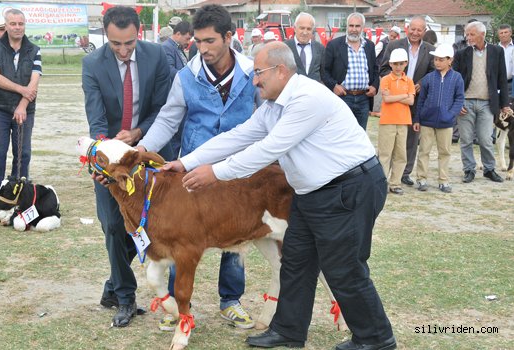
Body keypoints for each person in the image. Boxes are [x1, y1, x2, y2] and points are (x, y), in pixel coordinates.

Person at [164, 41, 396, 350]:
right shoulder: (273, 105)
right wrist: (186, 162)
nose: (254, 80)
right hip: (312, 192)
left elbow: (267, 150)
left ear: (281, 70)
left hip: (348, 188)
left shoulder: (306, 99)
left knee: (345, 269)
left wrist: (215, 173)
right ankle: (288, 330)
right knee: (296, 263)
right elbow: (237, 137)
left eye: (258, 72)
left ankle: (376, 339)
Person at [136, 3, 261, 332]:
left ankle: (231, 301)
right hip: (192, 168)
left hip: (239, 169)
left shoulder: (252, 73)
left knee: (235, 236)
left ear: (229, 37)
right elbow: (168, 119)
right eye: (198, 42)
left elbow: (268, 119)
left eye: (210, 41)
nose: (202, 48)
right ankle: (179, 307)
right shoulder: (186, 77)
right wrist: (141, 150)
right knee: (182, 237)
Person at [82, 5, 174, 328]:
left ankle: (113, 285)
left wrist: (137, 134)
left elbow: (165, 109)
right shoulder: (92, 64)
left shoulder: (156, 56)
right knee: (111, 225)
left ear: (140, 33)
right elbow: (96, 120)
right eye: (116, 44)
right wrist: (104, 156)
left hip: (147, 154)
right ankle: (125, 298)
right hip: (110, 158)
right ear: (105, 36)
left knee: (140, 228)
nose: (123, 51)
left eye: (129, 43)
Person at [0, 9, 42, 212]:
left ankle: (20, 193)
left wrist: (22, 105)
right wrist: (21, 90)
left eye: (20, 23)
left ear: (24, 25)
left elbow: (34, 82)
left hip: (26, 109)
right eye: (13, 23)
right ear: (6, 25)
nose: (17, 27)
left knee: (23, 153)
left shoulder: (35, 50)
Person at [380, 16, 435, 187]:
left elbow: (433, 73)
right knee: (388, 144)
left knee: (411, 138)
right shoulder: (394, 45)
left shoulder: (430, 49)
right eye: (413, 29)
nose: (415, 33)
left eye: (419, 30)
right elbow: (382, 69)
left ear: (424, 31)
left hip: (416, 100)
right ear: (407, 29)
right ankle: (384, 175)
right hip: (394, 101)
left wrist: (420, 84)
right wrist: (394, 87)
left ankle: (405, 173)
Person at [453, 21, 511, 183]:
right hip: (466, 102)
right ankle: (469, 169)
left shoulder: (496, 51)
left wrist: (504, 104)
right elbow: (455, 80)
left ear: (482, 34)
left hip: (487, 103)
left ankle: (489, 169)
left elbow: (502, 78)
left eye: (472, 34)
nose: (468, 37)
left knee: (486, 139)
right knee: (465, 139)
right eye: (467, 34)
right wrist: (458, 103)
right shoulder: (461, 53)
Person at [413, 44, 465, 193]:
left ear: (450, 60)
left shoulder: (457, 78)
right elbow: (421, 99)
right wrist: (417, 119)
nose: (437, 62)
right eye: (435, 59)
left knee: (445, 152)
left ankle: (443, 180)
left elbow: (459, 98)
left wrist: (450, 115)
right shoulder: (428, 78)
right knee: (424, 150)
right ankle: (421, 179)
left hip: (446, 122)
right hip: (427, 121)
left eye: (441, 59)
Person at [322, 12, 379, 130]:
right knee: (341, 134)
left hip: (364, 99)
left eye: (357, 26)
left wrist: (375, 86)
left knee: (360, 134)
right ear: (346, 26)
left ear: (362, 28)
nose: (354, 29)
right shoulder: (334, 45)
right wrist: (334, 86)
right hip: (343, 98)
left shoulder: (369, 46)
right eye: (351, 25)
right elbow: (324, 71)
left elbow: (375, 69)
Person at [378, 48, 415, 195]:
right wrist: (403, 95)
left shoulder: (409, 81)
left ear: (406, 63)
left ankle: (395, 183)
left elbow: (411, 101)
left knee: (400, 154)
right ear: (390, 64)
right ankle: (382, 183)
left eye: (401, 63)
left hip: (403, 121)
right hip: (387, 120)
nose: (398, 67)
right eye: (395, 64)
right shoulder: (386, 79)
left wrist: (395, 96)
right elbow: (386, 99)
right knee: (385, 153)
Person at [162, 20, 193, 156]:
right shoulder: (167, 47)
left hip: (182, 97)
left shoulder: (178, 48)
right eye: (187, 38)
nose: (188, 42)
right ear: (178, 34)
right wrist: (189, 77)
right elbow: (169, 70)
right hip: (173, 97)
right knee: (174, 140)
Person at [285, 12, 325, 82]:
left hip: (314, 91)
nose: (305, 32)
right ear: (294, 28)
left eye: (309, 29)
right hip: (293, 91)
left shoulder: (320, 48)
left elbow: (324, 73)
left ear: (313, 30)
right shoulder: (285, 47)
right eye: (302, 28)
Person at [497, 24, 513, 95]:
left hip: (512, 83)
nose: (503, 35)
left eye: (506, 32)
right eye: (501, 33)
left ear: (511, 33)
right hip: (497, 85)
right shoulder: (494, 49)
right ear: (498, 35)